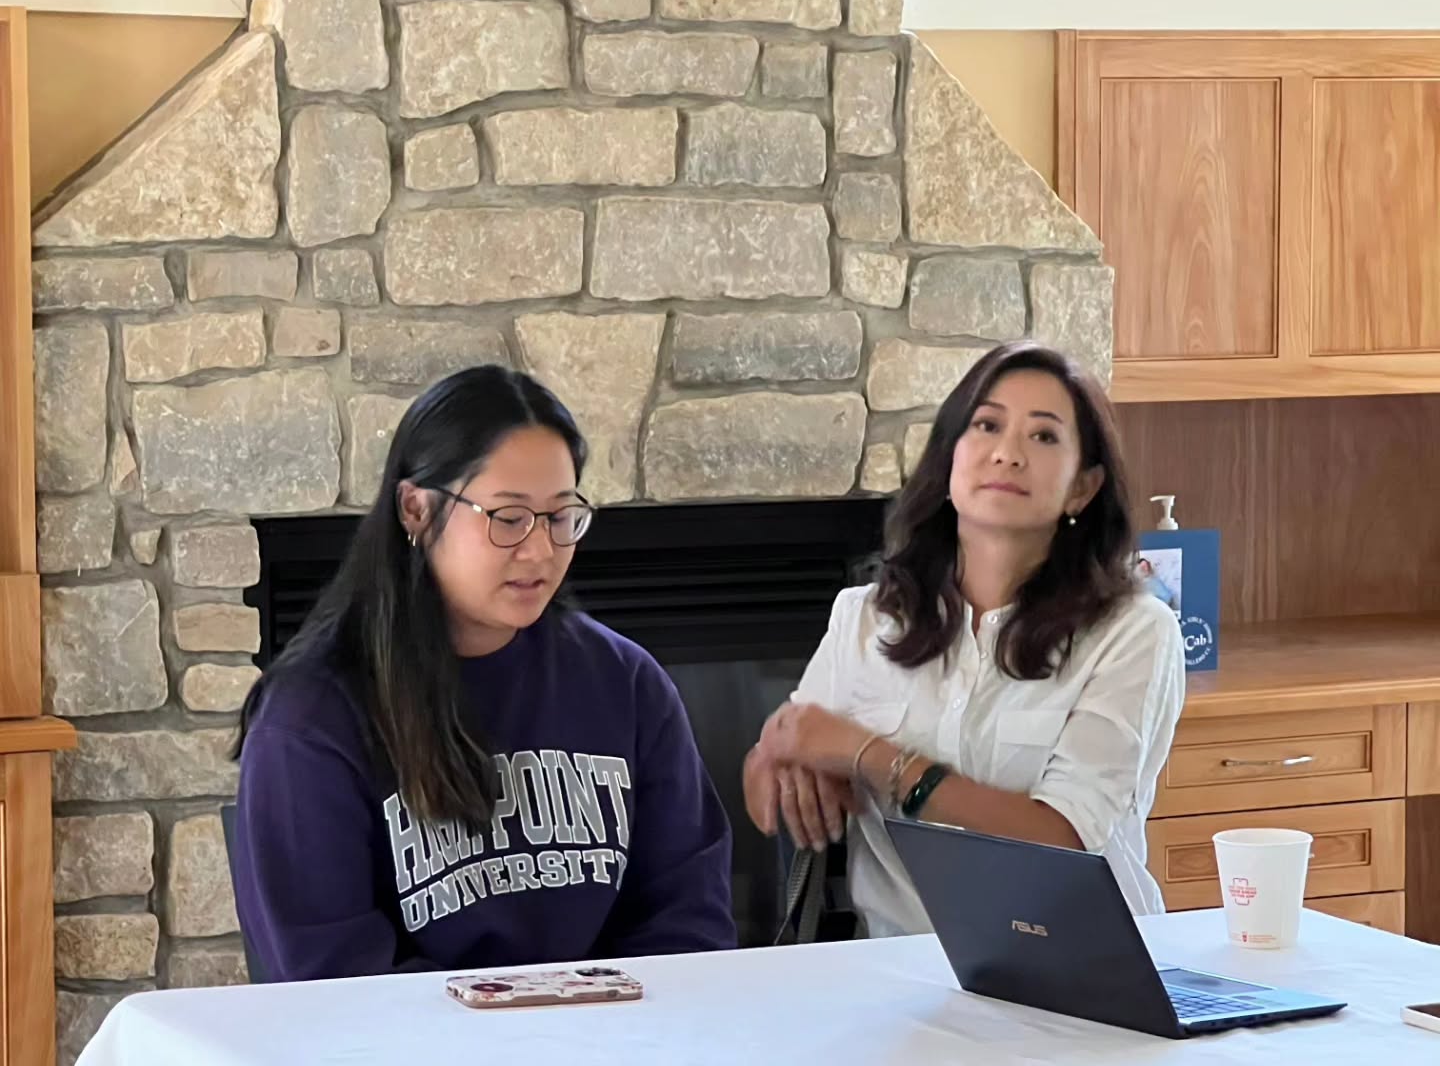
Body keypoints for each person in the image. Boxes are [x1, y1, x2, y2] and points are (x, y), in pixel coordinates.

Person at [232, 365, 736, 981]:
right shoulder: (309, 721)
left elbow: (690, 919)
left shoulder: (627, 683)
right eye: (507, 517)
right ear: (416, 509)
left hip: (615, 1054)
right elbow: (331, 972)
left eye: (560, 517)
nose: (540, 551)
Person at [744, 340, 1185, 938]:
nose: (1007, 453)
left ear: (1083, 488)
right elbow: (771, 784)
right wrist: (787, 759)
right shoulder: (862, 617)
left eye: (1044, 436)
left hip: (1080, 976)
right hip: (901, 977)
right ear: (950, 456)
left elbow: (1063, 838)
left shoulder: (1136, 632)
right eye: (987, 425)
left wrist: (870, 757)